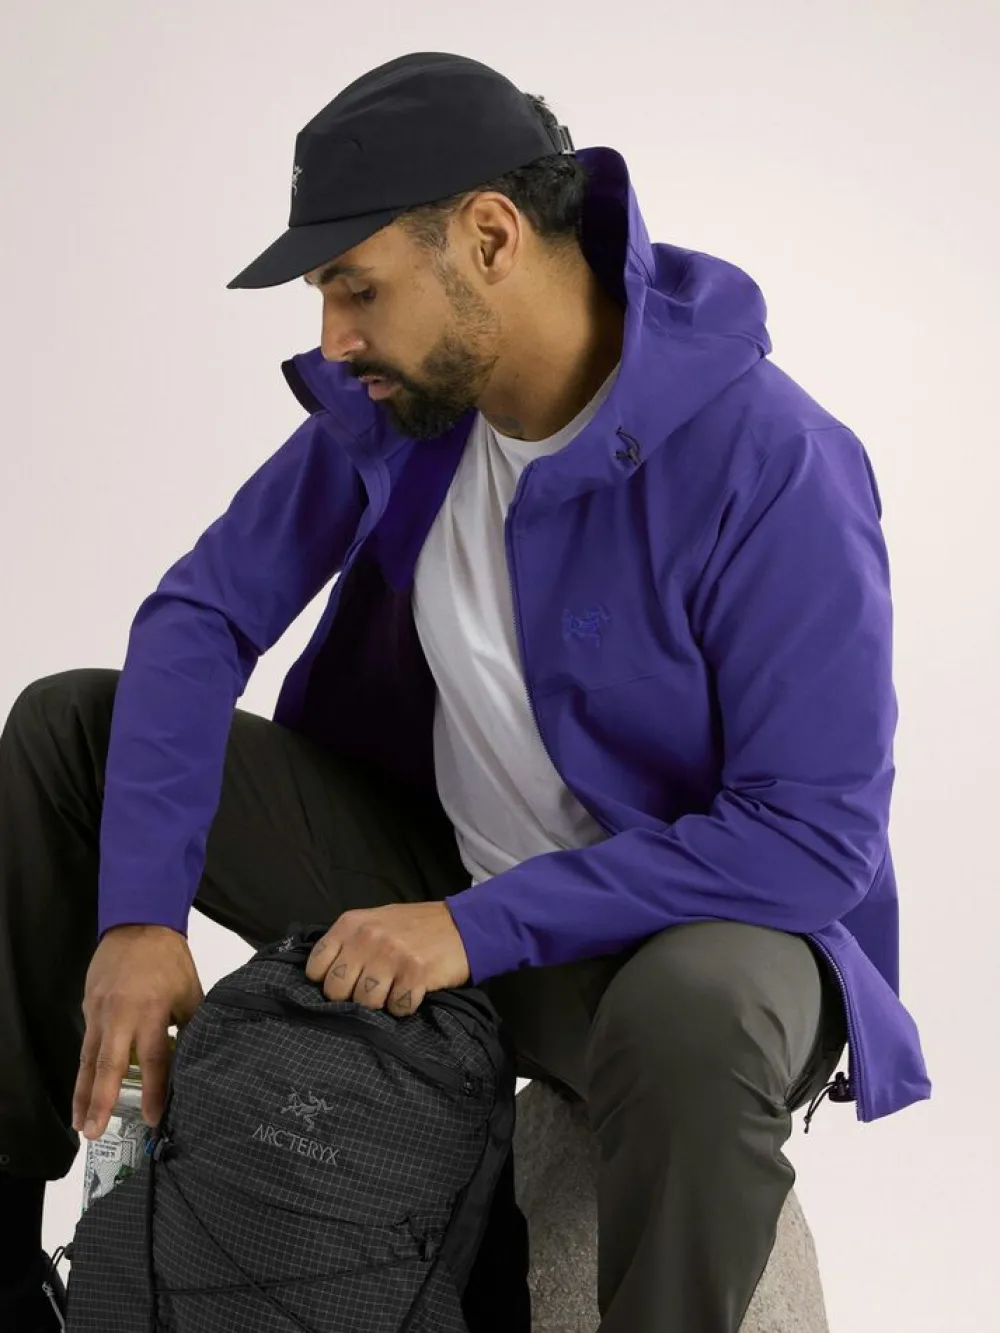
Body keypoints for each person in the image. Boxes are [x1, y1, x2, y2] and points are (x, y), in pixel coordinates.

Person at [0, 49, 930, 1333]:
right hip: (441, 878)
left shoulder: (773, 459)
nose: (334, 339)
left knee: (693, 1016)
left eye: (356, 287)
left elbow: (810, 838)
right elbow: (201, 615)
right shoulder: (414, 410)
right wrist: (139, 916)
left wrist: (474, 926)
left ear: (489, 237)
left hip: (684, 944)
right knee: (72, 733)